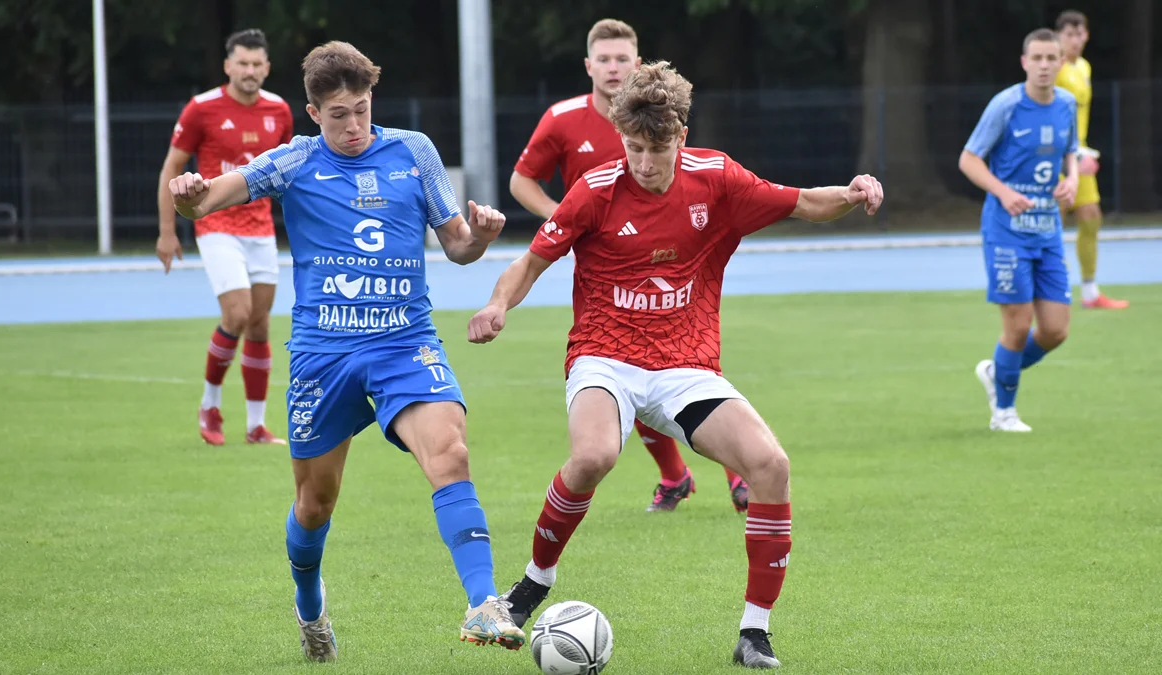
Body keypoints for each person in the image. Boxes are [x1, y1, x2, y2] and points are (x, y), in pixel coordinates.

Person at [468, 61, 884, 669]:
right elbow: (530, 262)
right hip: (604, 355)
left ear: (681, 137)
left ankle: (754, 634)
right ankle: (532, 585)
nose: (643, 162)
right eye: (633, 147)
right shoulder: (596, 189)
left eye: (656, 150)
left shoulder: (717, 178)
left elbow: (803, 202)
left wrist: (850, 193)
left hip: (686, 364)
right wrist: (497, 305)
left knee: (770, 465)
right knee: (593, 457)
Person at [167, 41, 524, 662]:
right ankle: (310, 609)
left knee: (451, 452)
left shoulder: (414, 152)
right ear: (313, 113)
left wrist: (482, 238)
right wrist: (186, 193)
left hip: (404, 342)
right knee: (315, 504)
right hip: (323, 354)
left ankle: (483, 603)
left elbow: (458, 246)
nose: (353, 125)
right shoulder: (294, 161)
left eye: (361, 110)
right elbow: (204, 201)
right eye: (338, 115)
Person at [510, 18, 749, 514]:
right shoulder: (562, 119)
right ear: (588, 66)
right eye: (604, 59)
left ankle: (736, 473)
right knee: (620, 371)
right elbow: (521, 180)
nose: (613, 67)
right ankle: (675, 475)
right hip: (603, 267)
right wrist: (562, 219)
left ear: (637, 64)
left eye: (622, 59)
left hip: (666, 258)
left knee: (678, 364)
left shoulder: (655, 117)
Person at [156, 28, 295, 445]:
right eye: (242, 63)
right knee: (237, 314)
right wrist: (167, 231)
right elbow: (172, 169)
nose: (250, 71)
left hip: (261, 227)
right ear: (227, 66)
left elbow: (288, 172)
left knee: (259, 325)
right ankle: (210, 405)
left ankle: (255, 426)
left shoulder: (279, 110)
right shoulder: (201, 109)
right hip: (216, 224)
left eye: (257, 64)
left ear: (267, 68)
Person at [960, 29, 1079, 433]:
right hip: (1006, 231)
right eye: (1037, 58)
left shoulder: (1066, 104)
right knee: (1017, 323)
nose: (1044, 65)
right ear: (1025, 62)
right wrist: (1004, 192)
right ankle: (1004, 413)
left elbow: (1070, 151)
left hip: (1048, 230)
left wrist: (1072, 179)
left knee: (1056, 329)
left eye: (1051, 58)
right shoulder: (1007, 105)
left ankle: (998, 371)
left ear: (1061, 62)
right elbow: (969, 159)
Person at [1055, 10, 1128, 310]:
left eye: (1079, 33)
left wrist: (1081, 150)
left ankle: (1089, 292)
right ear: (1059, 36)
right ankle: (1053, 289)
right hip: (1057, 156)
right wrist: (1070, 153)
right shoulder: (1055, 68)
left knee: (1091, 217)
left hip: (1079, 154)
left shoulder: (1084, 66)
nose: (1074, 40)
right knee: (1052, 223)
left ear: (1086, 35)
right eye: (1068, 34)